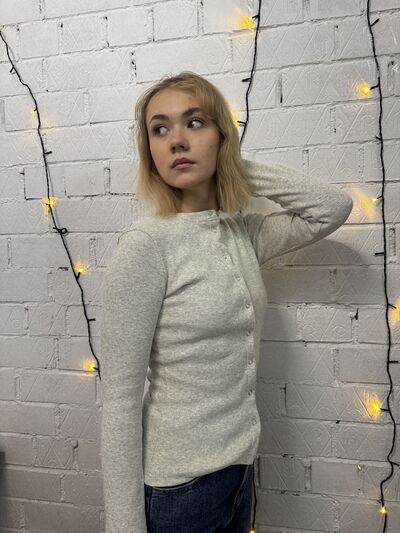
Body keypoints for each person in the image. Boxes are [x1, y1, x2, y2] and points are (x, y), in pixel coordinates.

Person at [100, 71, 353, 533]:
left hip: (238, 475)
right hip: (178, 492)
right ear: (149, 150)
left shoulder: (243, 234)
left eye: (194, 123)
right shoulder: (146, 246)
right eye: (160, 129)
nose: (176, 140)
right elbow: (119, 399)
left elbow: (331, 208)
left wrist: (231, 163)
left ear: (221, 135)